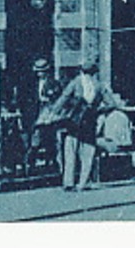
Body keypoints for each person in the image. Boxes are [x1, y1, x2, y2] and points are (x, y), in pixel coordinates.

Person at [53, 57, 115, 192]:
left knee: (70, 151)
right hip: (90, 122)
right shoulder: (99, 85)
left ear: (82, 71)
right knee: (87, 153)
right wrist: (98, 111)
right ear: (94, 72)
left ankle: (68, 182)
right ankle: (82, 183)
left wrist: (54, 113)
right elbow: (112, 104)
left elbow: (63, 98)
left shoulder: (75, 83)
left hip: (74, 123)